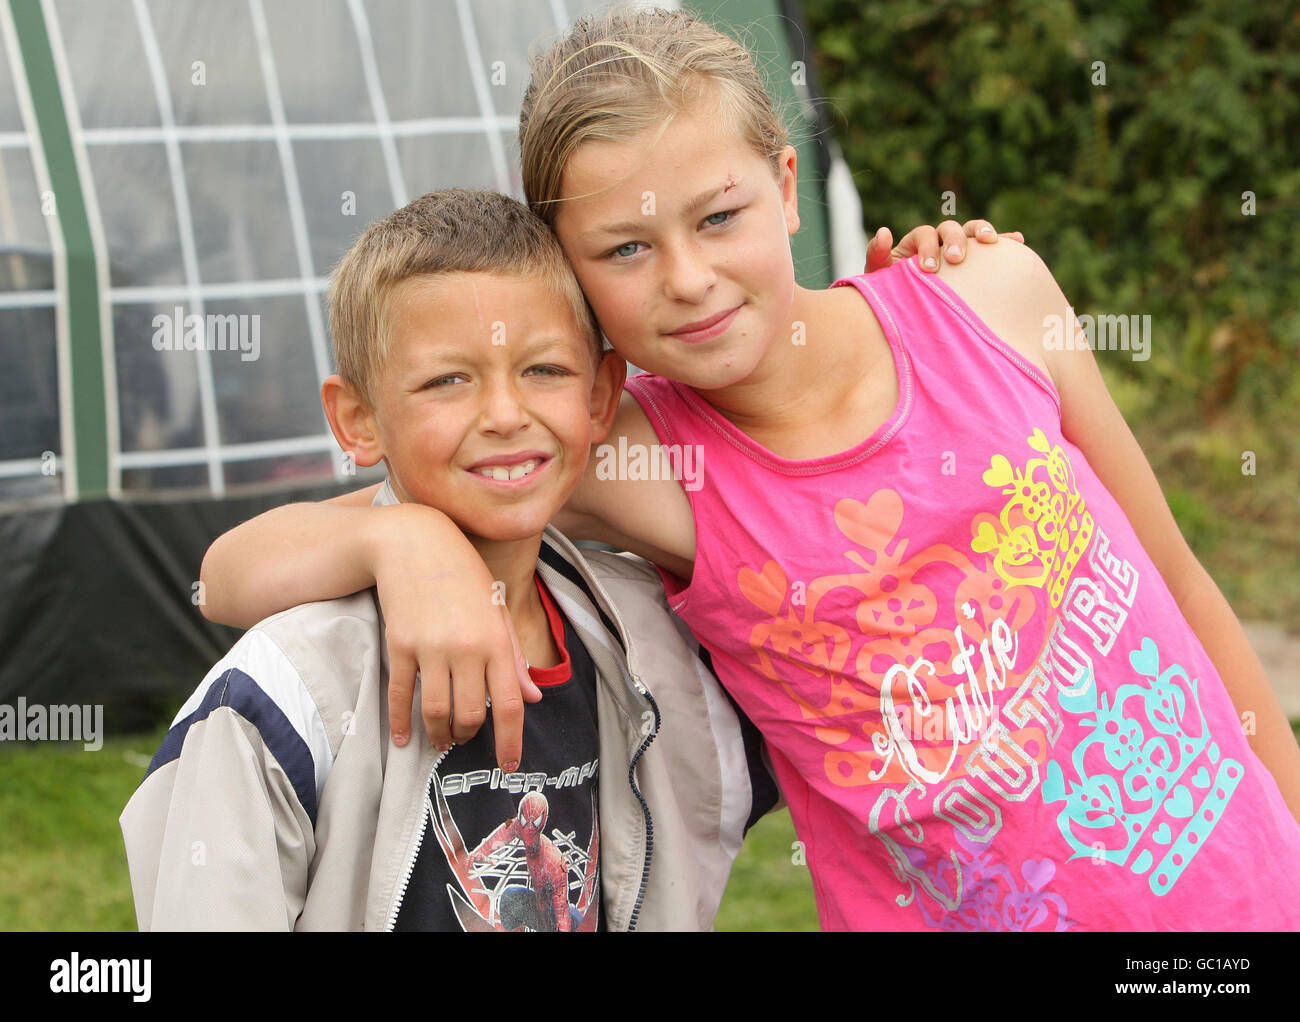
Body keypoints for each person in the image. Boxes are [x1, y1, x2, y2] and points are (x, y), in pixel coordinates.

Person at [198, 6, 1300, 931]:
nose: (686, 277)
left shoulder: (991, 298)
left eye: (718, 216)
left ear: (783, 186)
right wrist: (398, 534)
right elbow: (227, 573)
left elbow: (1182, 582)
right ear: (573, 279)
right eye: (625, 250)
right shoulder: (628, 454)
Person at [120, 188, 780, 932]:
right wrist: (397, 537)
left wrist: (908, 313)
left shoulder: (660, 644)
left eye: (544, 370)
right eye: (447, 380)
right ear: (358, 420)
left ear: (601, 397)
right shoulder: (283, 697)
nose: (504, 414)